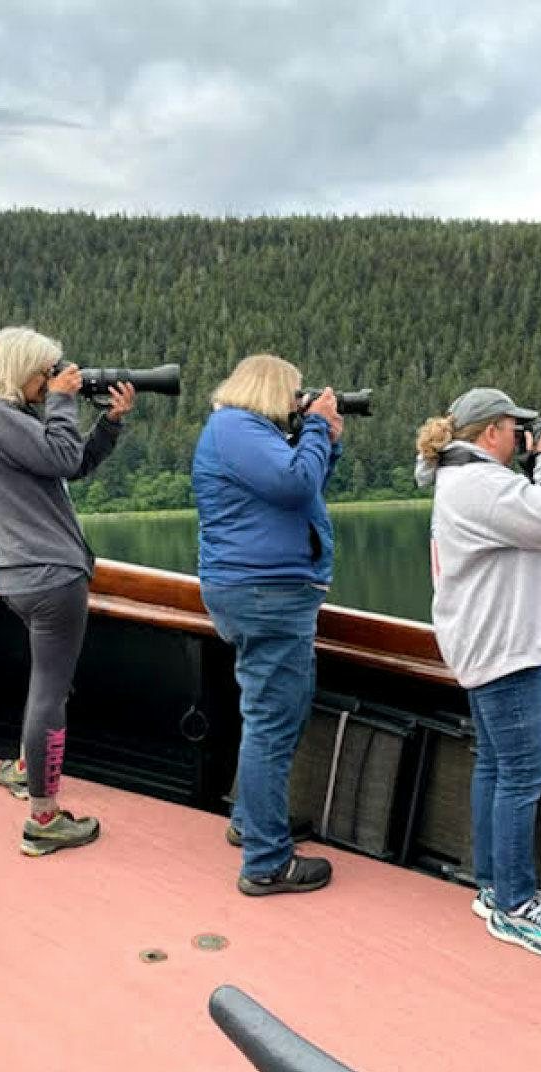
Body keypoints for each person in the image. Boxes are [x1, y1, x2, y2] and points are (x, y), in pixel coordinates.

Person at [414, 388, 541, 960]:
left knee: (496, 767)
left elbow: (539, 520)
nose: (524, 435)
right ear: (491, 432)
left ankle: (495, 886)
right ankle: (516, 908)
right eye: (516, 428)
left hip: (488, 646)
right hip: (506, 652)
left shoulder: (467, 480)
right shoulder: (479, 483)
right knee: (522, 774)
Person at [0, 326, 135, 857]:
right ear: (22, 369)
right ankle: (44, 818)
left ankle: (28, 769)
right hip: (50, 575)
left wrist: (110, 423)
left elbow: (69, 462)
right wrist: (62, 401)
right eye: (47, 371)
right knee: (51, 694)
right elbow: (59, 456)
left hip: (28, 573)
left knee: (47, 685)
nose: (53, 379)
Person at [191, 354, 342, 896]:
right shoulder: (238, 427)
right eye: (295, 392)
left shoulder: (245, 431)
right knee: (273, 722)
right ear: (273, 387)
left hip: (262, 591)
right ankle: (266, 862)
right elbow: (295, 485)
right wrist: (319, 427)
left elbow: (308, 480)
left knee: (277, 714)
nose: (299, 400)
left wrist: (325, 438)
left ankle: (256, 820)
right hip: (265, 593)